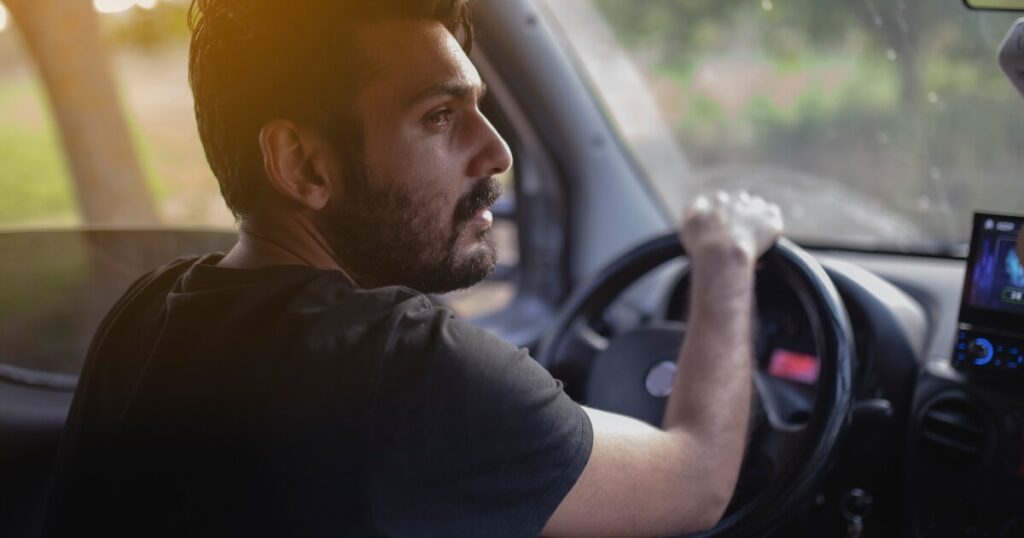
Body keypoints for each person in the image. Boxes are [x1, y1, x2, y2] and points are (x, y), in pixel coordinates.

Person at [44, 1, 783, 536]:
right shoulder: (402, 368)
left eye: (481, 109)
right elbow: (694, 482)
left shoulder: (144, 314)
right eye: (439, 116)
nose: (496, 153)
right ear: (304, 163)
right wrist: (723, 262)